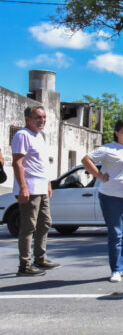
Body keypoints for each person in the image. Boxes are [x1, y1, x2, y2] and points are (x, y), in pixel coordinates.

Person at [81, 119, 123, 283]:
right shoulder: (108, 149)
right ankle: (117, 269)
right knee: (116, 234)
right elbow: (86, 160)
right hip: (112, 197)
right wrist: (99, 176)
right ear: (116, 133)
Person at [12, 106, 60, 276]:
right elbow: (17, 163)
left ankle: (40, 258)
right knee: (28, 226)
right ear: (28, 119)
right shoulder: (22, 135)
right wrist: (23, 187)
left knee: (45, 222)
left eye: (44, 117)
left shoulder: (39, 136)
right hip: (30, 188)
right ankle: (24, 265)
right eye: (38, 117)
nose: (42, 120)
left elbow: (41, 164)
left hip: (41, 187)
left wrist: (48, 183)